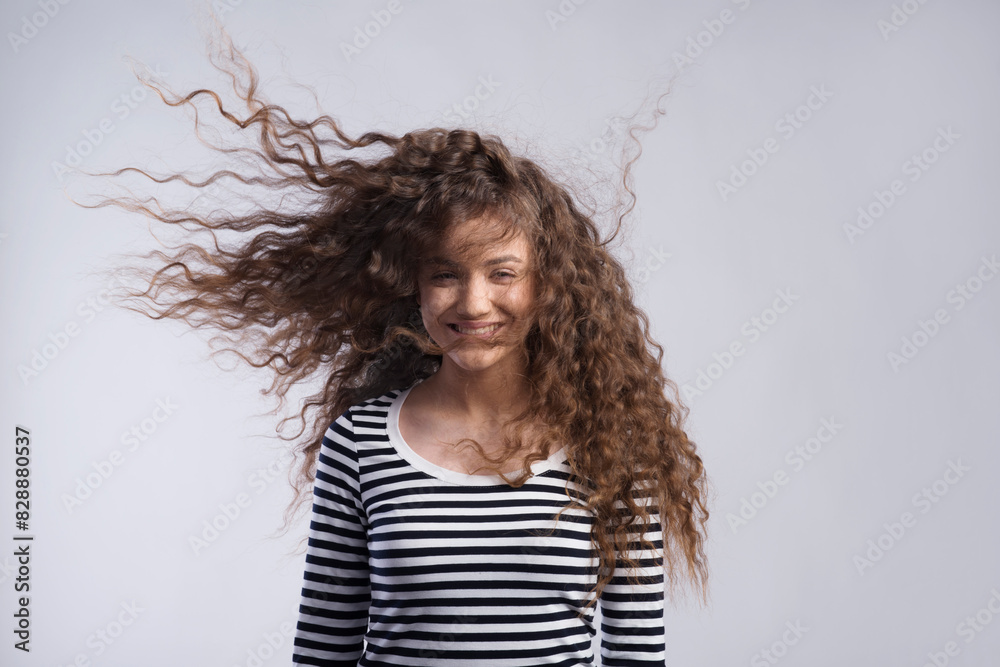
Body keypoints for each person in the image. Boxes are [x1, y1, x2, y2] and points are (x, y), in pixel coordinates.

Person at [78, 22, 709, 667]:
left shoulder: (614, 444)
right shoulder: (359, 443)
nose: (473, 302)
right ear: (412, 285)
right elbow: (324, 651)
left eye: (502, 272)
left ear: (548, 284)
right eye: (445, 273)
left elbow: (637, 656)